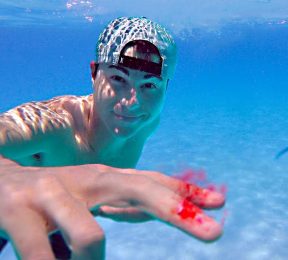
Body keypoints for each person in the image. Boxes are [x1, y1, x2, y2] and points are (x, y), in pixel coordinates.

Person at [0, 17, 225, 259]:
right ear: (94, 73)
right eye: (118, 79)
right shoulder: (55, 124)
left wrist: (107, 207)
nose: (132, 103)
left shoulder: (145, 121)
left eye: (149, 86)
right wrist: (8, 177)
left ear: (166, 89)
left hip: (62, 217)